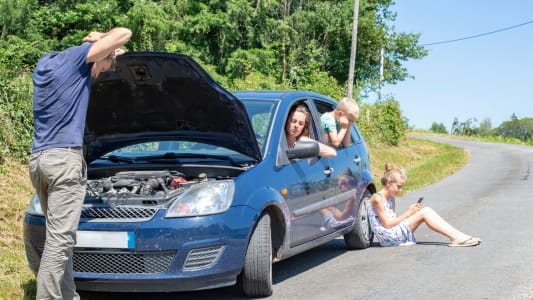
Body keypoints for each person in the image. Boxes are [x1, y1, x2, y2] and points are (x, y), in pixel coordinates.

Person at [29, 27, 132, 300]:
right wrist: (100, 41)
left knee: (58, 238)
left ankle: (68, 295)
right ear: (95, 56)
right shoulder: (79, 59)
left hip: (39, 160)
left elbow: (115, 48)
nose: (98, 75)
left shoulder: (47, 62)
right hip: (64, 161)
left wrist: (108, 51)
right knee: (60, 241)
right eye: (105, 67)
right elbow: (125, 32)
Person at [368, 163, 481, 247]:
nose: (400, 190)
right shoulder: (377, 198)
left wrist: (411, 214)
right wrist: (408, 214)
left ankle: (459, 236)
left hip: (393, 232)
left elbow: (394, 220)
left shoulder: (391, 199)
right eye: (399, 186)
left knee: (426, 211)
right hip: (388, 238)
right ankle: (456, 238)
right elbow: (387, 225)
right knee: (425, 212)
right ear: (388, 184)